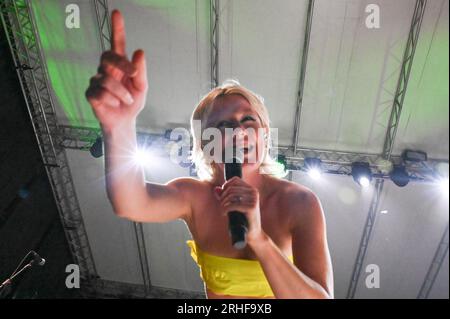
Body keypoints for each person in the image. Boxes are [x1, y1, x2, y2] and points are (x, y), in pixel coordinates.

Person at [85, 9, 333, 299]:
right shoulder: (193, 196)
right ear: (205, 143)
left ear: (265, 133)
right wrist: (119, 126)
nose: (238, 132)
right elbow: (130, 203)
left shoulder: (300, 202)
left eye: (248, 120)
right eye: (223, 126)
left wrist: (258, 239)